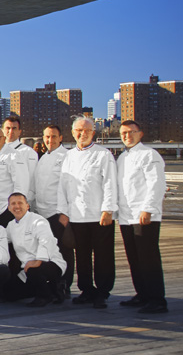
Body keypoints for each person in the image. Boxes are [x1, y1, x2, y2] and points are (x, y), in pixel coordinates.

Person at [59, 116, 118, 308]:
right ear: (73, 132)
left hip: (99, 215)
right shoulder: (69, 156)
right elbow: (63, 186)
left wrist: (108, 209)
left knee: (103, 255)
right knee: (82, 255)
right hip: (76, 215)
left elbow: (110, 183)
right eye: (79, 130)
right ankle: (86, 289)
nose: (82, 134)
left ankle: (102, 291)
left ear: (93, 133)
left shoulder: (103, 155)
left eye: (86, 131)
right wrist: (64, 211)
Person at [115, 120, 166, 314]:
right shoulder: (122, 158)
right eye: (124, 133)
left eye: (131, 132)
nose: (127, 136)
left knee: (149, 259)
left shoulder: (149, 154)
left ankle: (157, 299)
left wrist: (148, 209)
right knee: (134, 258)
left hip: (144, 215)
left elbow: (156, 184)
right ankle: (142, 294)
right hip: (127, 217)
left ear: (140, 133)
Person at [32, 124, 75, 295]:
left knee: (64, 251)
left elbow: (70, 187)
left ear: (61, 138)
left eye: (54, 137)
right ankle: (52, 282)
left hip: (57, 213)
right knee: (47, 250)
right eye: (47, 137)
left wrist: (65, 214)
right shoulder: (42, 158)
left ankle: (65, 284)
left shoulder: (67, 156)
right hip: (41, 213)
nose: (50, 140)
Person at [5, 193, 67, 307]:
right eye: (13, 204)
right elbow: (1, 239)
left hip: (50, 262)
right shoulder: (11, 225)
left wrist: (39, 260)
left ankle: (45, 296)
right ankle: (52, 289)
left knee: (34, 270)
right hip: (27, 268)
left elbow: (46, 241)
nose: (17, 206)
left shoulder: (38, 221)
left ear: (27, 206)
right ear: (8, 207)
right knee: (10, 295)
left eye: (20, 203)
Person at [0, 127, 31, 227]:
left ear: (4, 138)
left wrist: (15, 208)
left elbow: (21, 184)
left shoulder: (14, 155)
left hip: (5, 209)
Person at [2, 115, 39, 182]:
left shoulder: (29, 152)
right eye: (8, 128)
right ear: (2, 130)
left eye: (14, 128)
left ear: (19, 132)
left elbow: (32, 178)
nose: (11, 131)